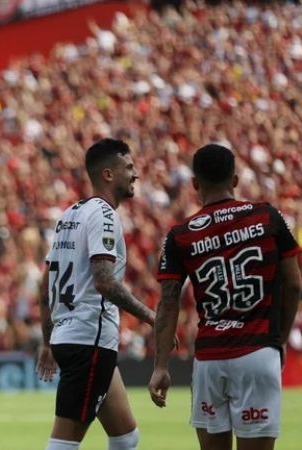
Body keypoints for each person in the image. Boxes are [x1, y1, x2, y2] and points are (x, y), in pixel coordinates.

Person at [149, 144, 302, 450]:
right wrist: (281, 339)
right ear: (235, 179)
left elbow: (168, 302)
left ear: (195, 184)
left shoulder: (180, 235)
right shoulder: (267, 217)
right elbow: (294, 284)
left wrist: (161, 365)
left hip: (209, 360)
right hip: (258, 352)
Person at [37, 138, 156, 450]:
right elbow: (104, 282)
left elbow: (44, 282)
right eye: (129, 167)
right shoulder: (104, 215)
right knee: (64, 442)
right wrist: (152, 318)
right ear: (108, 174)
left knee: (126, 436)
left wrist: (47, 340)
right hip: (89, 339)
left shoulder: (69, 215)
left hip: (70, 337)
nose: (135, 174)